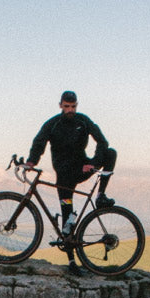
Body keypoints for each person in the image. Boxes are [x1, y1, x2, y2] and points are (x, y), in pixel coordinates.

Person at [25, 90, 116, 273]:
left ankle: (100, 196)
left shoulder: (83, 120)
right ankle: (72, 261)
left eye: (73, 107)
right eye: (66, 107)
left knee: (111, 153)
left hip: (82, 168)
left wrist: (93, 163)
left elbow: (102, 141)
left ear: (77, 105)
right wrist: (31, 161)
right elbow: (39, 142)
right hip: (64, 175)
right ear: (60, 105)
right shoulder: (53, 124)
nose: (70, 110)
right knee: (67, 218)